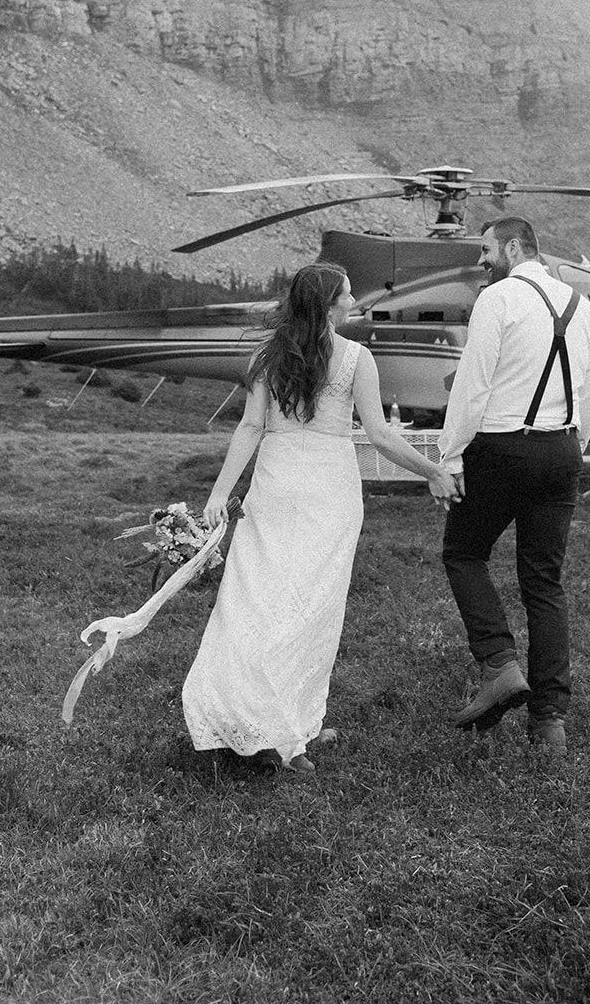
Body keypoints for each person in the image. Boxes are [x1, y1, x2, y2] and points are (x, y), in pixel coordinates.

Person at [182, 261, 460, 773]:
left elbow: (250, 428)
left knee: (255, 599)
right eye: (348, 294)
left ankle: (282, 722)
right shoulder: (358, 358)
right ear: (330, 305)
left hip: (279, 480)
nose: (354, 301)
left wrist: (220, 493)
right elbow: (379, 436)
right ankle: (286, 732)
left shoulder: (269, 355)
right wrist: (433, 472)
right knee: (312, 607)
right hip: (330, 487)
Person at [438, 216, 590, 756]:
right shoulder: (582, 306)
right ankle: (549, 723)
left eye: (486, 249)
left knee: (463, 552)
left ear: (514, 246)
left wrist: (450, 454)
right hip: (562, 451)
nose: (482, 261)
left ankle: (499, 666)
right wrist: (573, 447)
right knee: (544, 582)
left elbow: (472, 383)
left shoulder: (499, 298)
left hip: (502, 448)